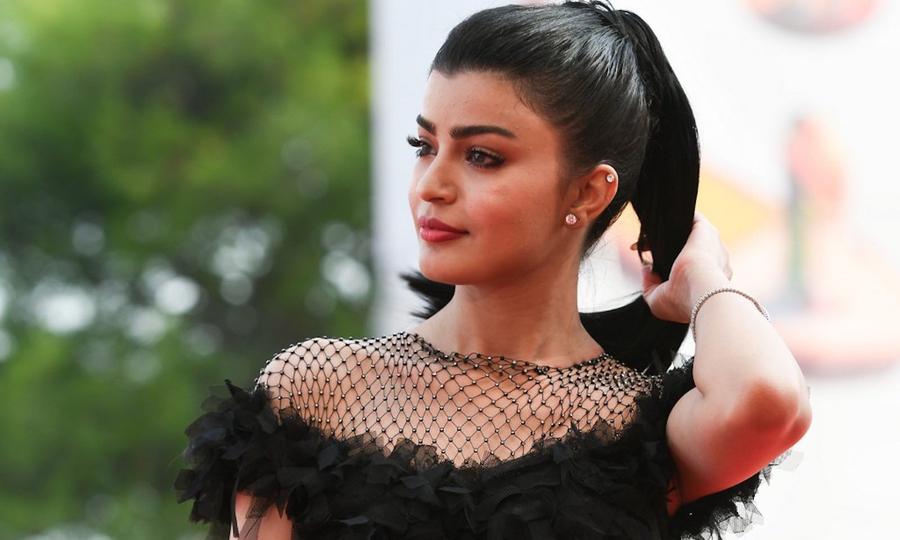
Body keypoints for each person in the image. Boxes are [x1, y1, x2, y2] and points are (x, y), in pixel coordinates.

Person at [173, 1, 812, 538]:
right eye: (424, 146)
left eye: (481, 156)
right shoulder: (318, 387)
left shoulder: (638, 428)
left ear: (588, 191)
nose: (432, 185)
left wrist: (703, 280)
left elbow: (769, 402)